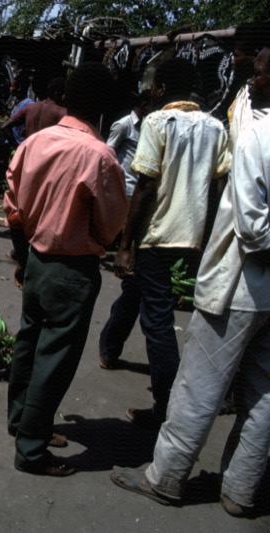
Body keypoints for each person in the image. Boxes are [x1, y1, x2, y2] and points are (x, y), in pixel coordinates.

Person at [110, 46, 270, 517]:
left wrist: (127, 243)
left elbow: (253, 224)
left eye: (259, 73)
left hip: (239, 285)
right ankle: (240, 490)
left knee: (199, 384)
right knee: (263, 394)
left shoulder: (258, 138)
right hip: (255, 288)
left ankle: (166, 477)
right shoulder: (228, 124)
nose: (250, 80)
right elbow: (222, 171)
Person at [4, 63, 127, 476]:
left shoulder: (34, 144)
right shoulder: (100, 157)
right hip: (73, 269)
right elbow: (110, 226)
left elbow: (12, 206)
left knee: (29, 342)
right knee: (55, 358)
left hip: (36, 259)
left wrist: (24, 255)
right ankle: (32, 450)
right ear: (103, 109)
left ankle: (20, 421)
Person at [100, 58, 231, 427]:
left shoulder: (158, 122)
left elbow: (144, 186)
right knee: (137, 293)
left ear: (159, 89)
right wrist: (211, 234)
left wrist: (126, 245)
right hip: (195, 238)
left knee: (157, 323)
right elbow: (220, 185)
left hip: (158, 236)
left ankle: (166, 407)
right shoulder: (215, 127)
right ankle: (109, 348)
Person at [106, 90, 153, 201]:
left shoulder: (146, 127)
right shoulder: (124, 125)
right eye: (152, 106)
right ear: (144, 105)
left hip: (137, 190)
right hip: (124, 188)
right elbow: (108, 154)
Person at [2, 76, 66, 142]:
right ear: (57, 93)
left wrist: (17, 146)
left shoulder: (30, 107)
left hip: (28, 151)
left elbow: (5, 126)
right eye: (65, 94)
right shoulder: (62, 113)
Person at [2, 73, 34, 148]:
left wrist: (16, 145)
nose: (10, 88)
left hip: (18, 144)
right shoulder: (17, 104)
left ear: (19, 88)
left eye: (12, 86)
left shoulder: (28, 104)